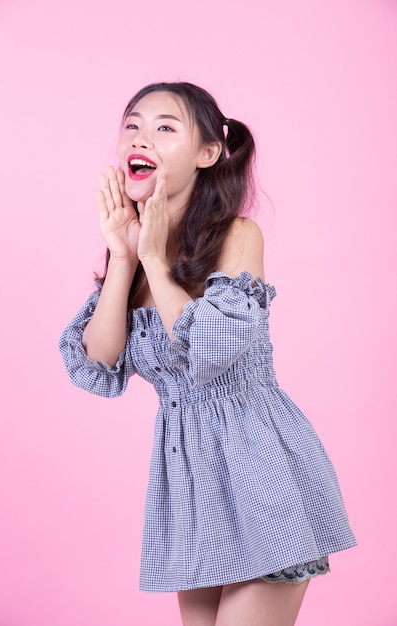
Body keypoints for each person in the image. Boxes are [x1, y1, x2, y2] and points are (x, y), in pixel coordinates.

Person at [59, 81, 356, 626]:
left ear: (208, 153)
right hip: (190, 484)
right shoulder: (132, 254)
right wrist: (125, 258)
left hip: (260, 466)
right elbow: (98, 367)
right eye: (132, 124)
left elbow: (211, 350)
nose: (139, 137)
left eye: (164, 127)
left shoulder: (238, 237)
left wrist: (153, 258)